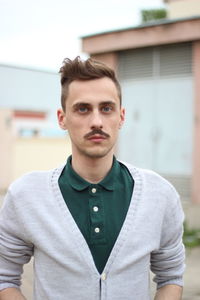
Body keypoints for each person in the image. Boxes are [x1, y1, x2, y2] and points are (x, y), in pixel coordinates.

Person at [0, 56, 185, 300]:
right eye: (83, 108)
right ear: (62, 118)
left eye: (106, 108)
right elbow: (5, 277)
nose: (96, 121)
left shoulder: (160, 194)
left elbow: (171, 276)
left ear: (121, 116)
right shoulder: (26, 196)